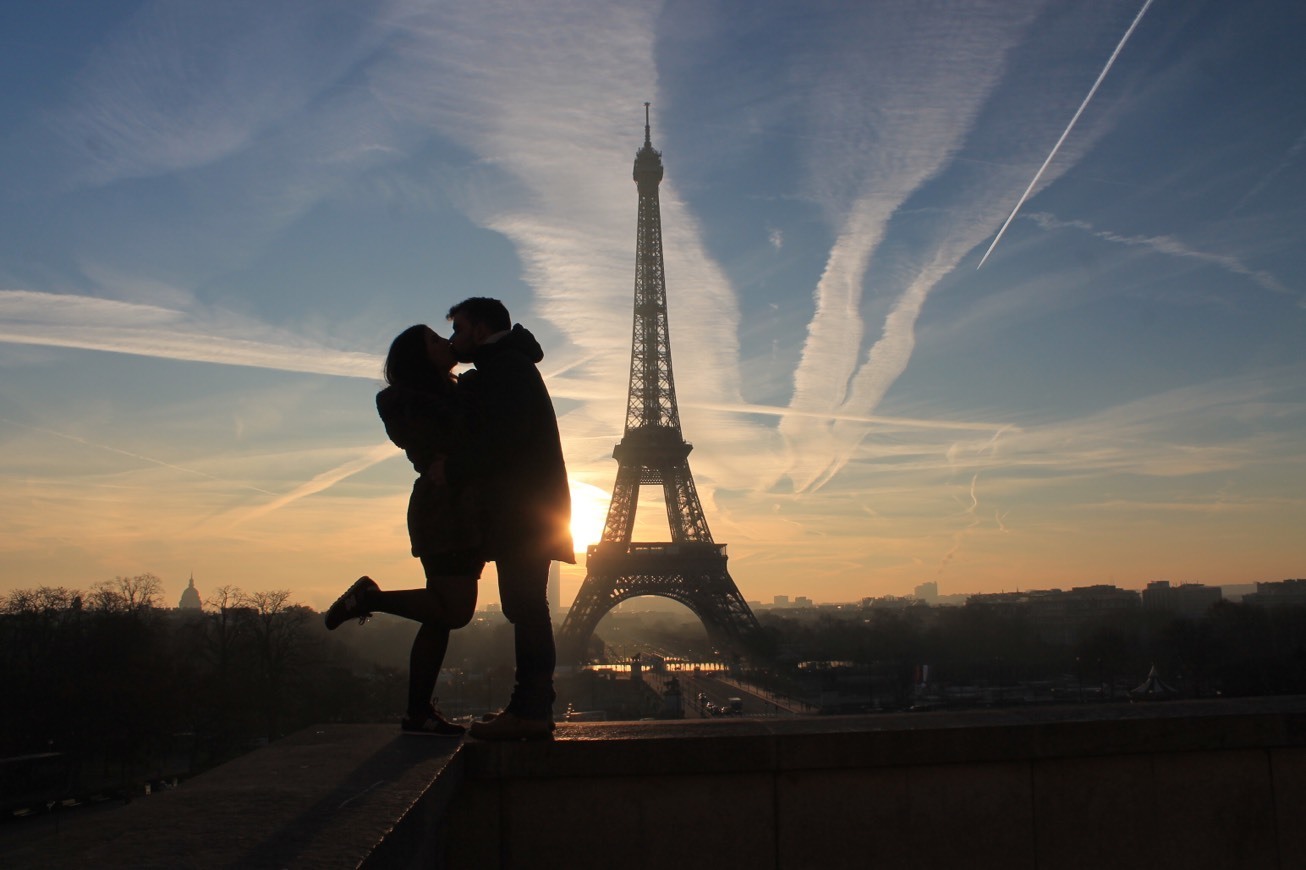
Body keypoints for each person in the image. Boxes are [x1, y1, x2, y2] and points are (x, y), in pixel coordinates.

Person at [324, 324, 483, 737]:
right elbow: (464, 439)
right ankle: (369, 598)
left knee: (440, 615)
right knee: (455, 610)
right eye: (434, 340)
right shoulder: (413, 403)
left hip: (457, 510)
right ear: (419, 359)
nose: (446, 341)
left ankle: (417, 713)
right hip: (444, 511)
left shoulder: (444, 394)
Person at [438, 297, 573, 741]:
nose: (454, 339)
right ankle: (530, 707)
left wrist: (451, 469)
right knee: (526, 608)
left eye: (457, 328)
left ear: (478, 328)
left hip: (524, 515)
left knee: (527, 609)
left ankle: (531, 710)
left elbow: (504, 440)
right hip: (532, 512)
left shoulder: (507, 368)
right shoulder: (508, 365)